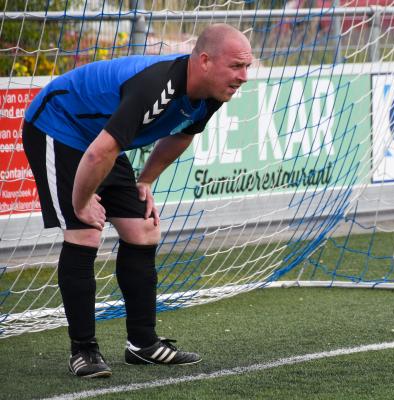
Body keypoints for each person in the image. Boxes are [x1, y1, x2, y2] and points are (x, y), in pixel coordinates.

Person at [22, 23, 253, 378]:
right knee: (85, 231)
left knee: (143, 229)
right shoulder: (157, 87)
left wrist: (145, 180)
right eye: (237, 66)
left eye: (247, 66)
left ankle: (143, 345)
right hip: (58, 124)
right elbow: (101, 153)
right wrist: (82, 204)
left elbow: (183, 134)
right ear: (205, 60)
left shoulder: (211, 92)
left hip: (100, 141)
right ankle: (83, 350)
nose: (244, 76)